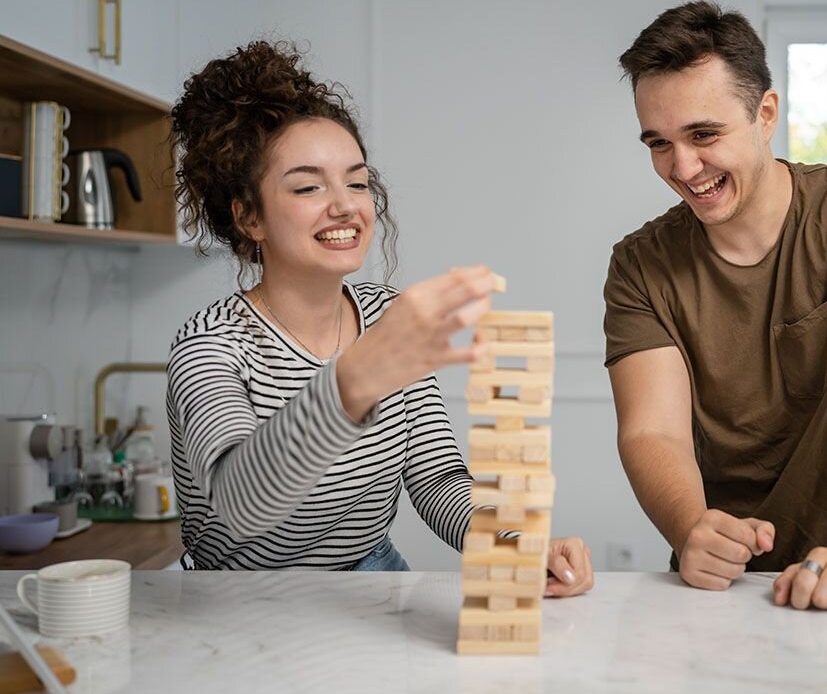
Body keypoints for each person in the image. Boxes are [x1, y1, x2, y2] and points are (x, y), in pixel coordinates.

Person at [165, 40, 593, 596]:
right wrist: (351, 383)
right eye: (308, 185)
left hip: (370, 584)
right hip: (238, 599)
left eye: (357, 181)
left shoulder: (385, 315)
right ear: (249, 216)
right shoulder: (211, 345)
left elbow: (438, 478)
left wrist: (513, 544)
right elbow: (242, 506)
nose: (345, 205)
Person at [603, 1, 827, 645]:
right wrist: (689, 526)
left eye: (703, 135)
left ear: (765, 114)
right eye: (659, 143)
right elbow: (652, 429)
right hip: (731, 600)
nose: (682, 169)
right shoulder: (639, 265)